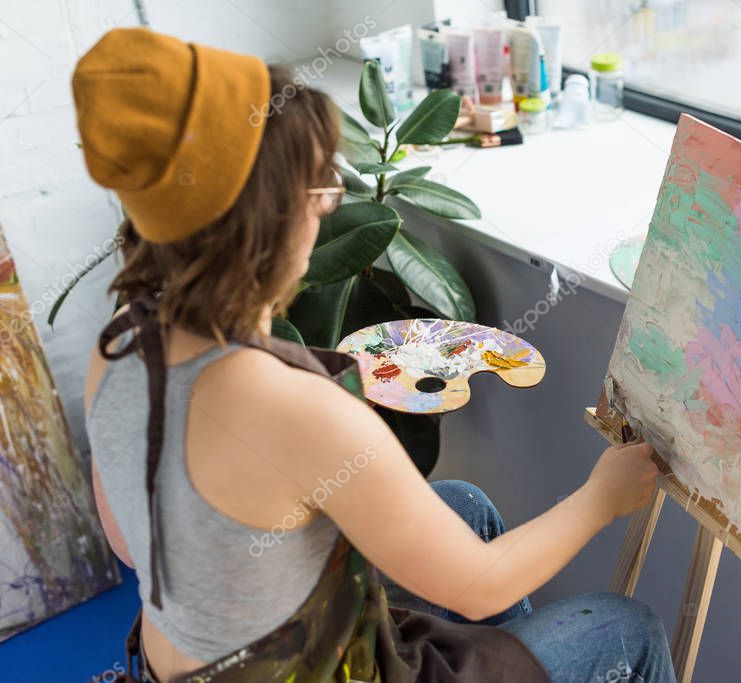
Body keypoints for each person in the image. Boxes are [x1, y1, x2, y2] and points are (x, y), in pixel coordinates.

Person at [77, 27, 674, 682]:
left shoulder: (119, 344)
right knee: (626, 627)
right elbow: (481, 586)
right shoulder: (296, 410)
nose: (331, 205)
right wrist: (600, 496)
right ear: (266, 220)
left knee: (464, 506)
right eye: (317, 192)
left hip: (175, 665)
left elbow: (130, 541)